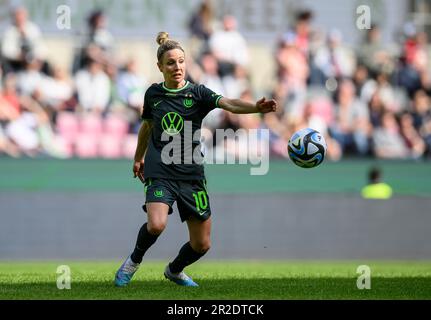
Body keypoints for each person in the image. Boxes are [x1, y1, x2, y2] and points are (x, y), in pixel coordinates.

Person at [114, 32, 277, 287]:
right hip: (161, 170)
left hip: (191, 174)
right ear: (160, 67)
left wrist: (256, 108)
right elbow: (147, 126)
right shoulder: (153, 95)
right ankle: (133, 261)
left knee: (202, 244)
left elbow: (230, 105)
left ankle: (175, 270)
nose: (177, 67)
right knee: (156, 225)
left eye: (181, 61)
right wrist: (138, 158)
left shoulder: (198, 93)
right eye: (171, 62)